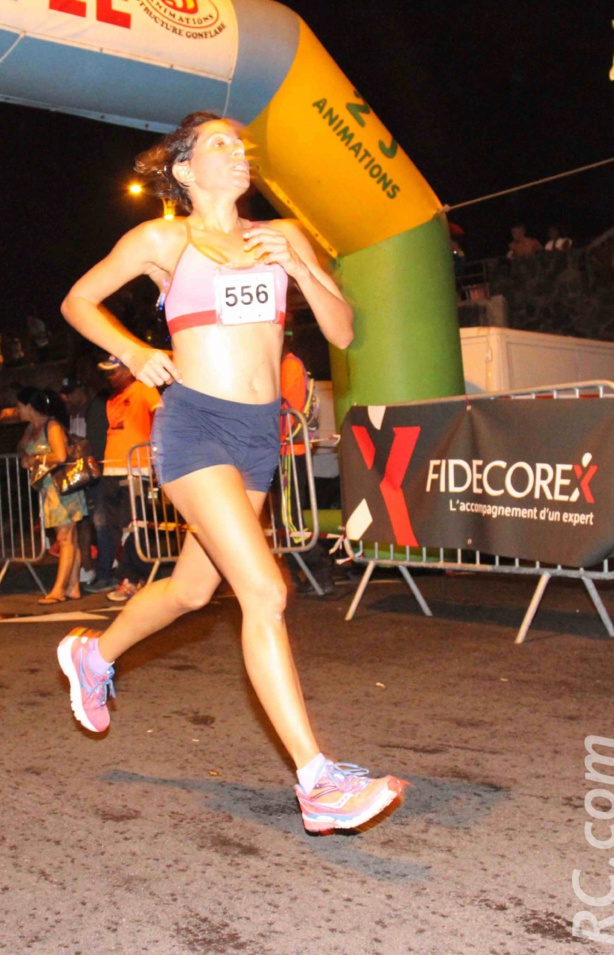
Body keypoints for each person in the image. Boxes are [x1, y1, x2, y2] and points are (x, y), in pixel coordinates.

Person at [56, 110, 405, 834]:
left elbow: (342, 331)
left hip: (257, 436)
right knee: (265, 591)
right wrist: (134, 351)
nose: (235, 151)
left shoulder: (278, 237)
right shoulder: (165, 238)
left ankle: (93, 653)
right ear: (184, 170)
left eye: (239, 143)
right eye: (218, 143)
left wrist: (301, 262)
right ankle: (317, 781)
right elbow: (77, 301)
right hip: (195, 425)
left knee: (191, 589)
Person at [85, 355, 160, 599]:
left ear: (130, 369)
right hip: (112, 470)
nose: (110, 376)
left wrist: (158, 456)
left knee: (131, 527)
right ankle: (132, 576)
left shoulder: (145, 389)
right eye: (107, 372)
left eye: (115, 371)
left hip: (136, 470)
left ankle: (131, 579)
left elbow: (161, 416)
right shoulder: (112, 398)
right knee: (111, 528)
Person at [16, 386, 87, 603]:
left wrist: (35, 460)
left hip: (62, 488)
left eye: (19, 405)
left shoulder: (51, 425)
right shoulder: (31, 429)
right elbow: (22, 453)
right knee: (70, 538)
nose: (17, 410)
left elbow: (60, 454)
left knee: (64, 539)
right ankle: (73, 587)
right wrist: (26, 458)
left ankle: (58, 590)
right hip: (50, 490)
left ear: (29, 406)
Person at [279, 338, 337, 596]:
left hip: (290, 450)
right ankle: (302, 574)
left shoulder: (288, 366)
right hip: (286, 450)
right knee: (286, 521)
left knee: (291, 520)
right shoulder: (287, 364)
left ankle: (320, 571)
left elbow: (283, 408)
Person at [59, 374, 109, 584]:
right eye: (66, 395)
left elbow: (96, 441)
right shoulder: (74, 411)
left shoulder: (95, 408)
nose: (69, 398)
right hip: (82, 471)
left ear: (83, 390)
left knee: (100, 520)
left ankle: (105, 567)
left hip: (95, 470)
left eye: (72, 393)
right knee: (84, 520)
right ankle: (89, 565)